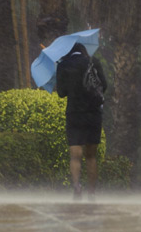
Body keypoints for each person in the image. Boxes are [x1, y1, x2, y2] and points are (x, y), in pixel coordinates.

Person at [56, 43, 107, 200]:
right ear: (83, 50)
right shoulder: (93, 62)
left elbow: (61, 93)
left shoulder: (63, 65)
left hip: (75, 113)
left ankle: (77, 187)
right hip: (93, 113)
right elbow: (104, 86)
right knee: (91, 156)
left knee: (75, 155)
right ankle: (91, 192)